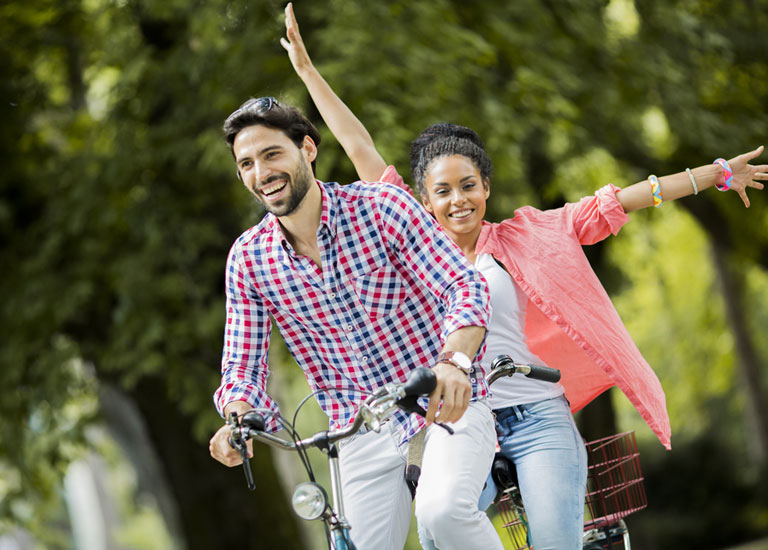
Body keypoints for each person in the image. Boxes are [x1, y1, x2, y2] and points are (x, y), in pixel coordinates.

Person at [279, 4, 767, 549]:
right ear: (420, 201)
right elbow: (358, 146)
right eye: (441, 191)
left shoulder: (530, 234)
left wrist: (718, 174)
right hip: (457, 422)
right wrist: (307, 73)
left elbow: (628, 198)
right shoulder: (413, 238)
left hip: (536, 416)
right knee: (441, 524)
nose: (457, 200)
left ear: (485, 186)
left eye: (468, 185)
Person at [206, 95, 507, 548]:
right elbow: (242, 368)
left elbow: (463, 287)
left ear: (307, 149)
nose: (261, 173)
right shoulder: (249, 260)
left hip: (443, 403)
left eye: (272, 154)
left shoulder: (381, 208)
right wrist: (239, 418)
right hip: (358, 429)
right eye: (246, 163)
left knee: (442, 512)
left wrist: (455, 362)